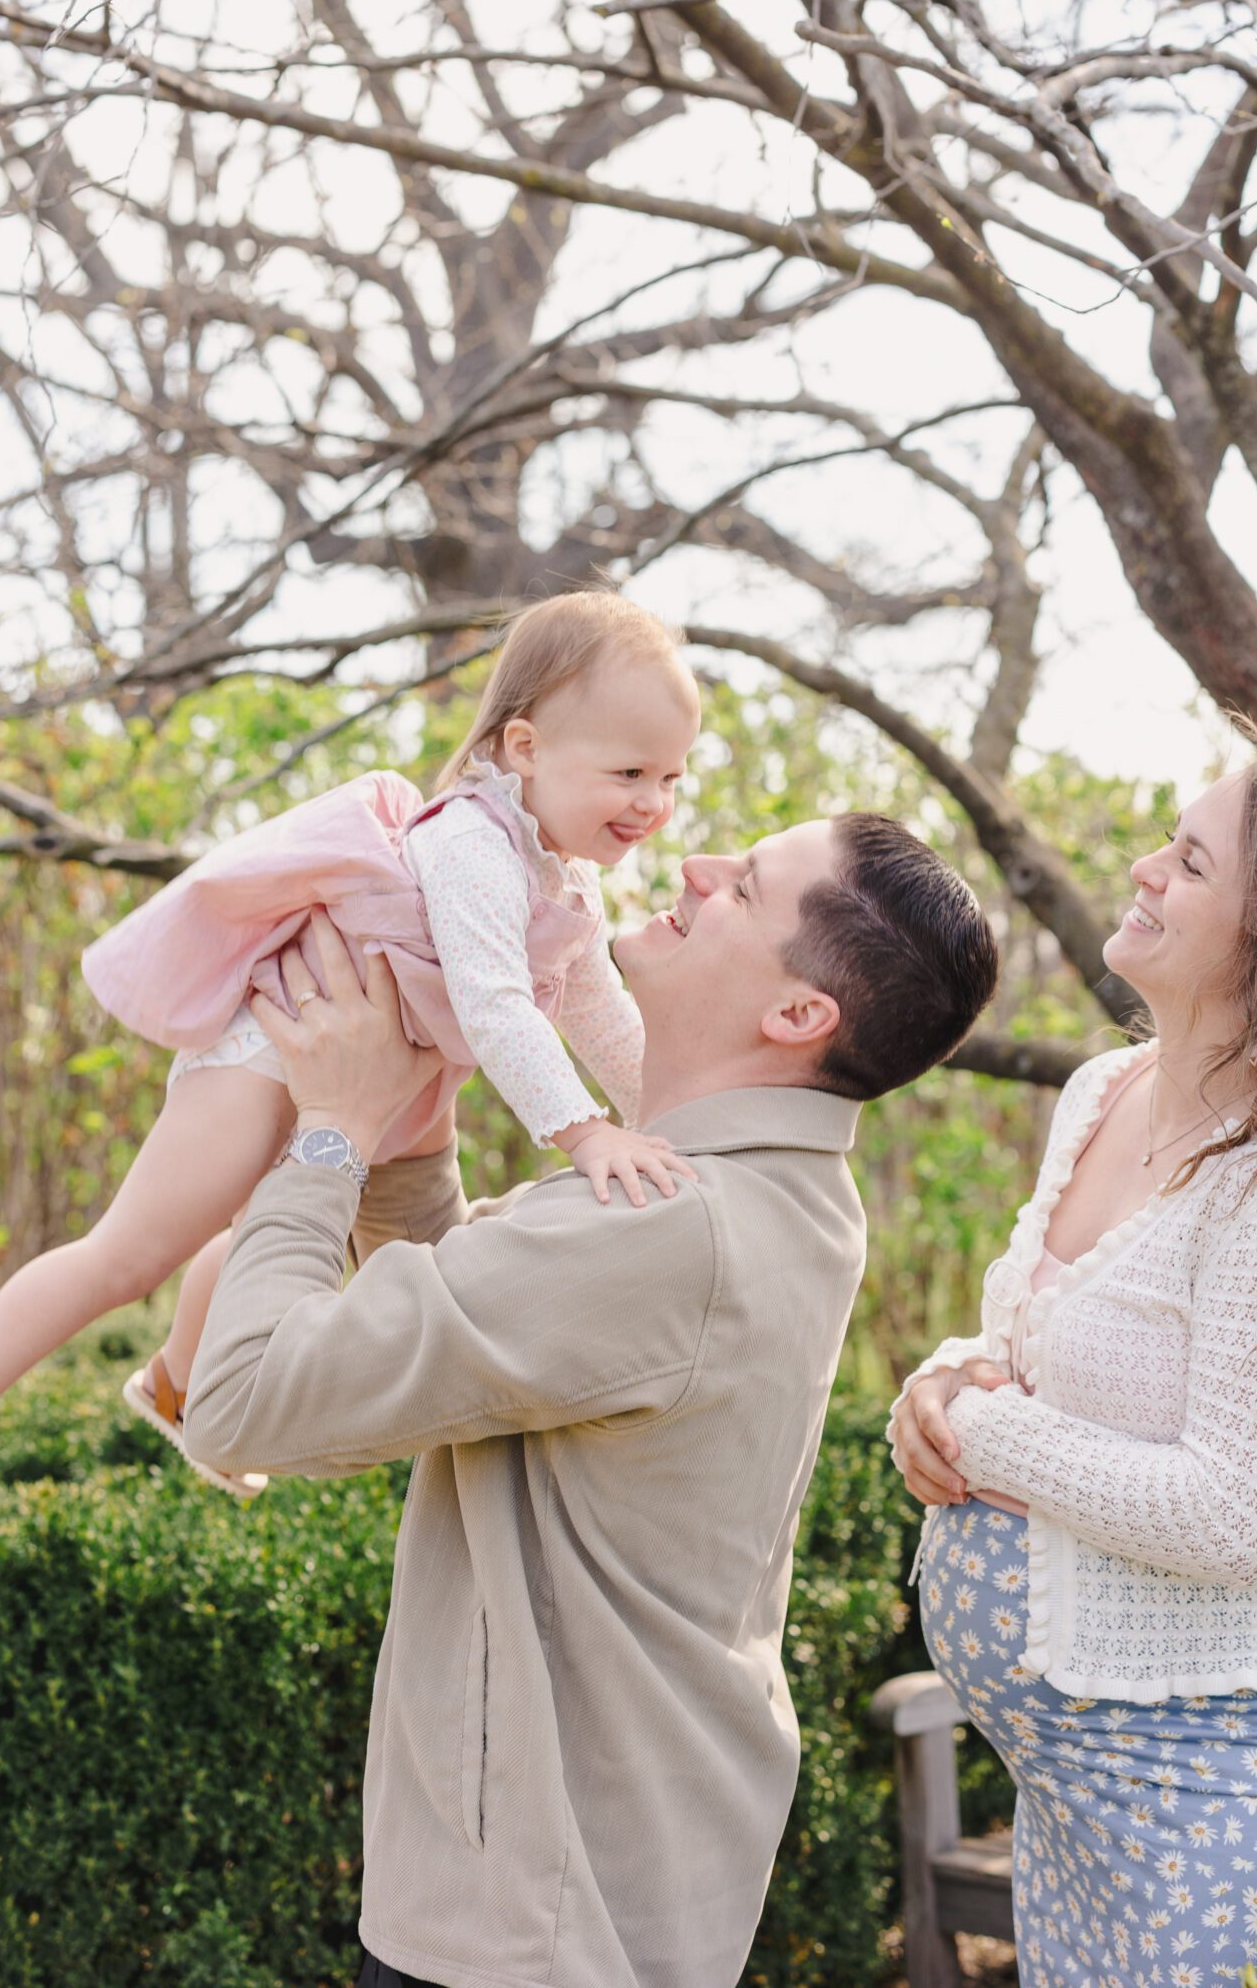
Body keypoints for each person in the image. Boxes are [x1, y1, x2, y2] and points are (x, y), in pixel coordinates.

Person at [180, 811, 999, 1988]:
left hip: (529, 1926)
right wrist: (409, 1135)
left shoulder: (665, 1228)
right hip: (612, 1893)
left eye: (742, 886)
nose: (695, 867)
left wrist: (331, 1135)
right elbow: (489, 1331)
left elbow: (242, 1399)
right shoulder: (785, 1193)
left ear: (798, 1013)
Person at [0, 591, 703, 1553]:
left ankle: (184, 1376)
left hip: (389, 1078)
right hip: (273, 1054)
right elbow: (494, 1004)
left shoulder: (564, 875)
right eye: (628, 772)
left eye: (670, 778)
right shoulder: (475, 838)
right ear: (524, 748)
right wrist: (586, 1132)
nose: (652, 803)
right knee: (132, 1253)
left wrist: (674, 1111)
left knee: (308, 1238)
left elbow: (598, 1010)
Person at [889, 737, 1257, 1988]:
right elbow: (1041, 1339)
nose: (1143, 867)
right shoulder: (1103, 1090)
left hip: (1229, 1791)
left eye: (1190, 861)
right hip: (1074, 1791)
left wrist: (979, 1430)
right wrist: (944, 1378)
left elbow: (1229, 1514)